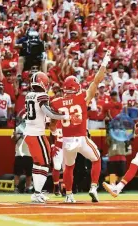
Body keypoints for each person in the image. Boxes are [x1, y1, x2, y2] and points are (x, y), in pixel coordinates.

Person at [50, 52, 111, 203]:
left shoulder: (56, 102)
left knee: (68, 168)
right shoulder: (82, 96)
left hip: (66, 140)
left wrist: (54, 131)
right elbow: (97, 80)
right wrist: (105, 61)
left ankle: (69, 195)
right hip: (81, 138)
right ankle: (93, 187)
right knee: (96, 159)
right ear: (76, 87)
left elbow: (51, 125)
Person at [22, 72, 71, 203]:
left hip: (28, 133)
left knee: (38, 163)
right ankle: (37, 193)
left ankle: (37, 192)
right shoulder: (42, 95)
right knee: (44, 163)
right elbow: (48, 112)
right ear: (42, 82)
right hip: (36, 134)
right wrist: (63, 116)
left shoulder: (29, 95)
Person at [12, 121, 33, 193]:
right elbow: (13, 139)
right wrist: (16, 135)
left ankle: (27, 188)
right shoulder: (18, 128)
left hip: (29, 154)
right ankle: (16, 188)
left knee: (29, 174)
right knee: (17, 173)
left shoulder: (32, 129)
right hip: (19, 154)